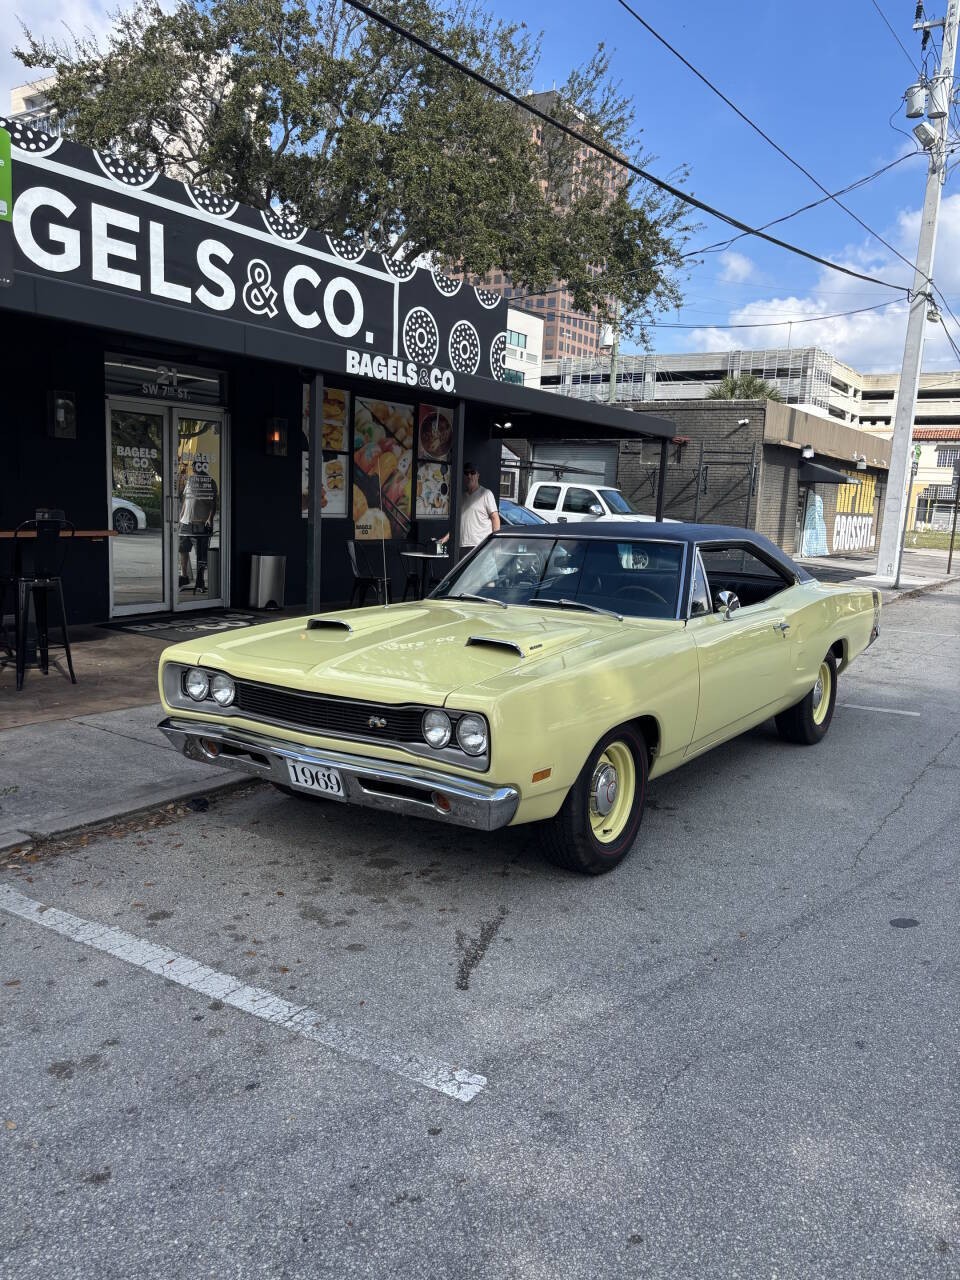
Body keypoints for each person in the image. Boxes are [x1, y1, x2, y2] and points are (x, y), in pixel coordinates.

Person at [439, 462, 501, 555]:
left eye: (472, 473)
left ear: (478, 475)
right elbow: (458, 522)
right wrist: (446, 537)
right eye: (466, 473)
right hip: (462, 545)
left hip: (480, 545)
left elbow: (495, 518)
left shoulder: (486, 494)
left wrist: (495, 541)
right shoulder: (462, 497)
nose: (469, 476)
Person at [178, 458, 218, 590]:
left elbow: (213, 503)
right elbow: (186, 499)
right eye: (194, 466)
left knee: (201, 553)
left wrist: (210, 519)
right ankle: (184, 576)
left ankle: (200, 580)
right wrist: (181, 516)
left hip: (200, 522)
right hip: (186, 521)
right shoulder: (190, 480)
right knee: (182, 549)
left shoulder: (210, 482)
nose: (194, 468)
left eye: (197, 466)